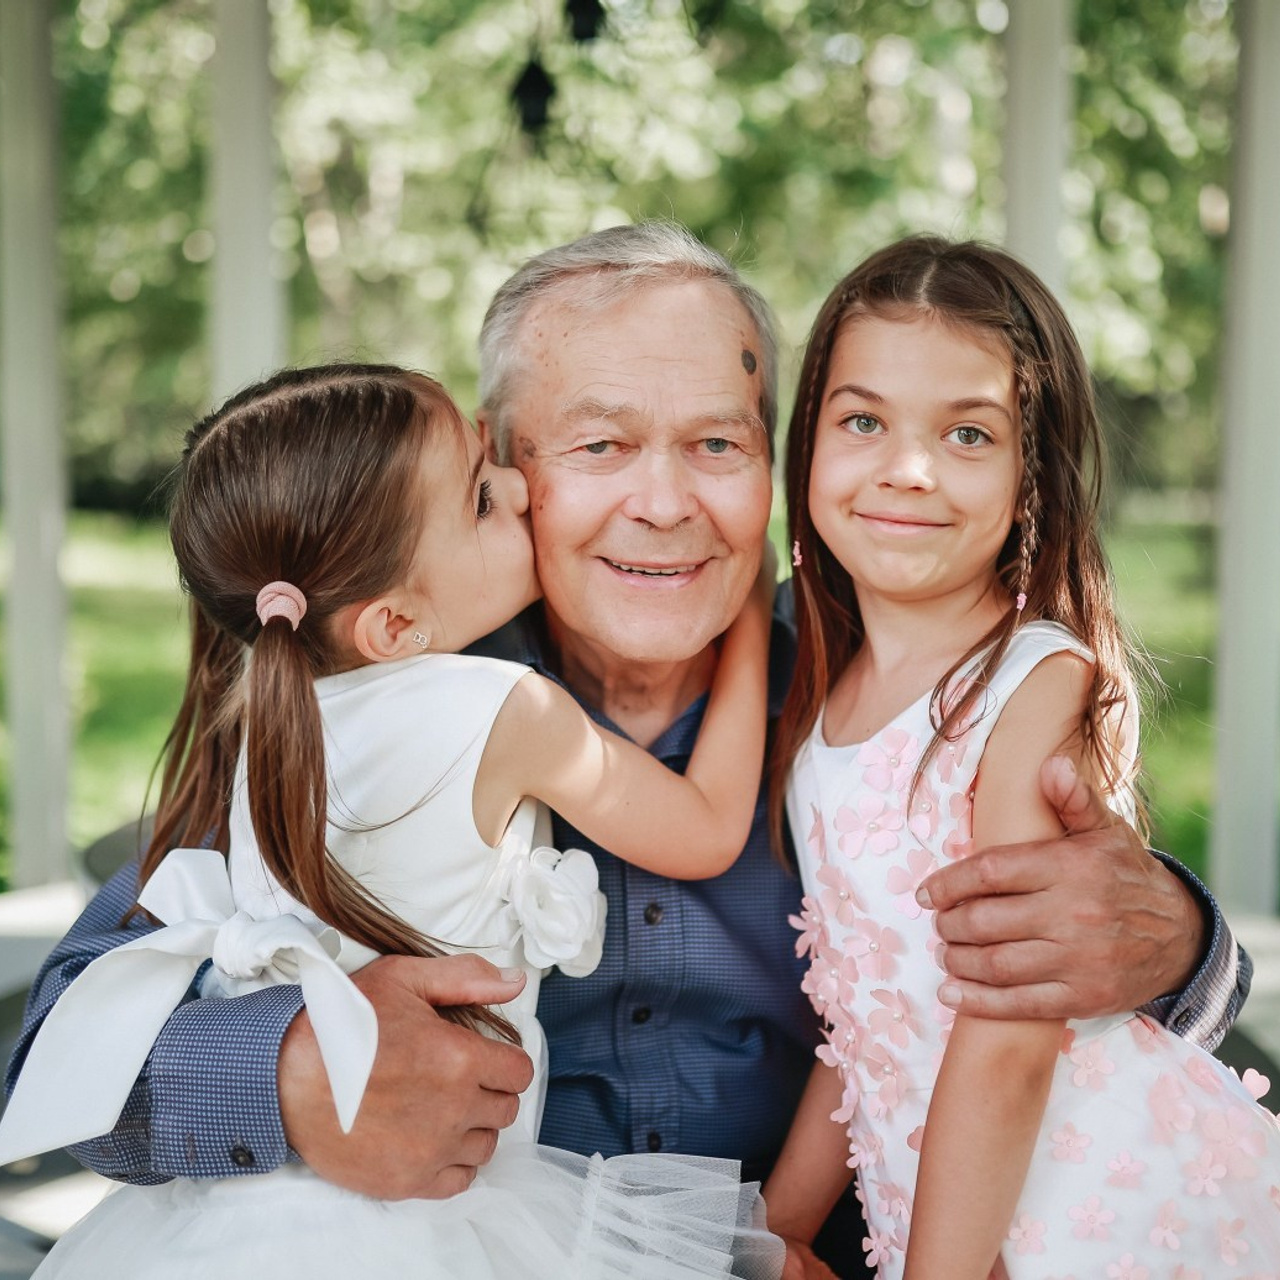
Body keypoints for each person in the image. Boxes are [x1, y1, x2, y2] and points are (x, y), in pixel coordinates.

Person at [6, 224, 1249, 1280]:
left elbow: (1077, 1007)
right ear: (499, 468)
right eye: (600, 446)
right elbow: (59, 1044)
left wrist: (1176, 944)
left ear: (776, 458)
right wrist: (286, 1078)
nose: (664, 502)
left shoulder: (875, 699)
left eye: (716, 442)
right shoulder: (366, 697)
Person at [0, 364, 786, 1277]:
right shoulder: (505, 707)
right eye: (592, 446)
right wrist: (749, 615)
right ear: (395, 622)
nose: (521, 493)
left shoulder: (274, 706)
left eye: (718, 443)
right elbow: (66, 1026)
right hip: (454, 1223)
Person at [761, 235, 1280, 1279]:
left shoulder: (1032, 682)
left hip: (1096, 1203)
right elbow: (859, 1003)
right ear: (807, 444)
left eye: (965, 432)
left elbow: (1007, 1034)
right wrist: (775, 1220)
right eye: (861, 420)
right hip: (956, 1214)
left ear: (1027, 475)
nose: (905, 468)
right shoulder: (823, 697)